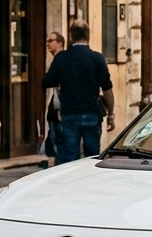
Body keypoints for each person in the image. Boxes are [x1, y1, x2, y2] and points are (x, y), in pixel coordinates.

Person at [43, 20, 114, 164]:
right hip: (92, 113)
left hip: (69, 115)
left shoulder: (61, 58)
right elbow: (107, 89)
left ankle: (71, 184)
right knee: (92, 158)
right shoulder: (97, 58)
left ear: (70, 36)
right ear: (88, 36)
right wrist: (111, 114)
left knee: (70, 159)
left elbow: (47, 81)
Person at [41, 30, 65, 164]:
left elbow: (47, 81)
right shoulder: (56, 60)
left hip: (60, 109)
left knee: (59, 144)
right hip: (56, 108)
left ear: (60, 43)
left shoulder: (61, 60)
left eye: (51, 41)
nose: (47, 44)